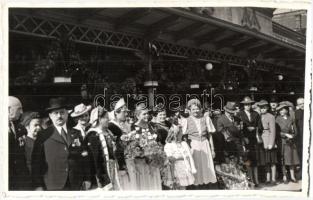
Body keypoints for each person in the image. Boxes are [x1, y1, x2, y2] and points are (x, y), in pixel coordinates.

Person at [31, 97, 91, 190]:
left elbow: (85, 157)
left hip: (75, 184)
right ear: (50, 115)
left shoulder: (76, 133)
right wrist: (38, 185)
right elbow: (36, 163)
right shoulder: (43, 136)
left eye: (62, 112)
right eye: (56, 113)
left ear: (67, 114)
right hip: (53, 185)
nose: (59, 116)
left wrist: (87, 178)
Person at [181, 99, 217, 189]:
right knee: (196, 165)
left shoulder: (206, 119)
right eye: (193, 109)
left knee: (206, 164)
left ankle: (206, 184)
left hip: (205, 144)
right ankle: (196, 186)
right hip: (194, 145)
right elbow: (184, 136)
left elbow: (210, 135)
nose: (196, 111)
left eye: (197, 109)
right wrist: (187, 148)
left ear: (200, 109)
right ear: (189, 110)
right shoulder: (186, 120)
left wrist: (212, 149)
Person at [84, 106, 120, 190]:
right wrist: (102, 178)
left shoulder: (108, 132)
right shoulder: (93, 135)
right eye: (106, 118)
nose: (108, 120)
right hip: (102, 173)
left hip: (112, 169)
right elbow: (95, 159)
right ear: (99, 119)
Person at [130, 103, 163, 190]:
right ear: (137, 115)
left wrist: (156, 150)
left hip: (153, 161)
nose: (147, 116)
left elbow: (157, 141)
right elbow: (132, 146)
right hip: (141, 162)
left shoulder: (152, 126)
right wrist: (142, 153)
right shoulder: (133, 127)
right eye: (144, 114)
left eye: (147, 113)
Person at [237, 97, 265, 187]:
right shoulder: (239, 114)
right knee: (247, 160)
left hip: (254, 140)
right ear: (243, 105)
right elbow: (237, 128)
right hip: (245, 140)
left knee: (255, 160)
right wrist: (244, 135)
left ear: (251, 105)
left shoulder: (256, 114)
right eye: (245, 104)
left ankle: (256, 180)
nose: (247, 106)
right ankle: (250, 181)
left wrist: (255, 128)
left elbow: (260, 127)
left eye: (249, 104)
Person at [108, 98, 135, 190]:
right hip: (120, 161)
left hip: (129, 158)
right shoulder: (111, 126)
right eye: (124, 112)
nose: (126, 115)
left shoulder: (124, 125)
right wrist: (121, 165)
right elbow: (115, 147)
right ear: (116, 112)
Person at [8, 96, 31, 190]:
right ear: (9, 110)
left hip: (20, 178)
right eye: (19, 109)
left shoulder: (20, 128)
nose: (21, 112)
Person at [164, 124, 197, 189]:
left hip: (184, 167)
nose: (182, 133)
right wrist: (182, 157)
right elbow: (170, 159)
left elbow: (189, 155)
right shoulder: (169, 145)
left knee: (183, 186)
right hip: (176, 168)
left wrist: (184, 157)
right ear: (176, 134)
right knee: (176, 186)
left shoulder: (183, 144)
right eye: (181, 132)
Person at [276, 102, 300, 183]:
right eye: (280, 110)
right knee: (283, 159)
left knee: (291, 159)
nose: (281, 111)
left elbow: (295, 131)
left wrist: (293, 136)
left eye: (283, 109)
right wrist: (285, 134)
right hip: (282, 141)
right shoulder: (277, 119)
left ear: (286, 110)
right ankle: (284, 176)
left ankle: (292, 176)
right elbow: (277, 132)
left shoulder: (291, 119)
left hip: (291, 142)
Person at [258, 100, 277, 185]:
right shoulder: (259, 116)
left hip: (269, 139)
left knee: (272, 161)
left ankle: (273, 179)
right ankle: (267, 178)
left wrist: (271, 143)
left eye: (264, 107)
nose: (262, 109)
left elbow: (273, 131)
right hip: (262, 140)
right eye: (261, 107)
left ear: (267, 108)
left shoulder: (271, 116)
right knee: (266, 161)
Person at [295, 97, 304, 172]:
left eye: (303, 103)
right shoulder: (297, 112)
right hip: (300, 137)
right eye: (300, 104)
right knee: (301, 153)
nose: (302, 105)